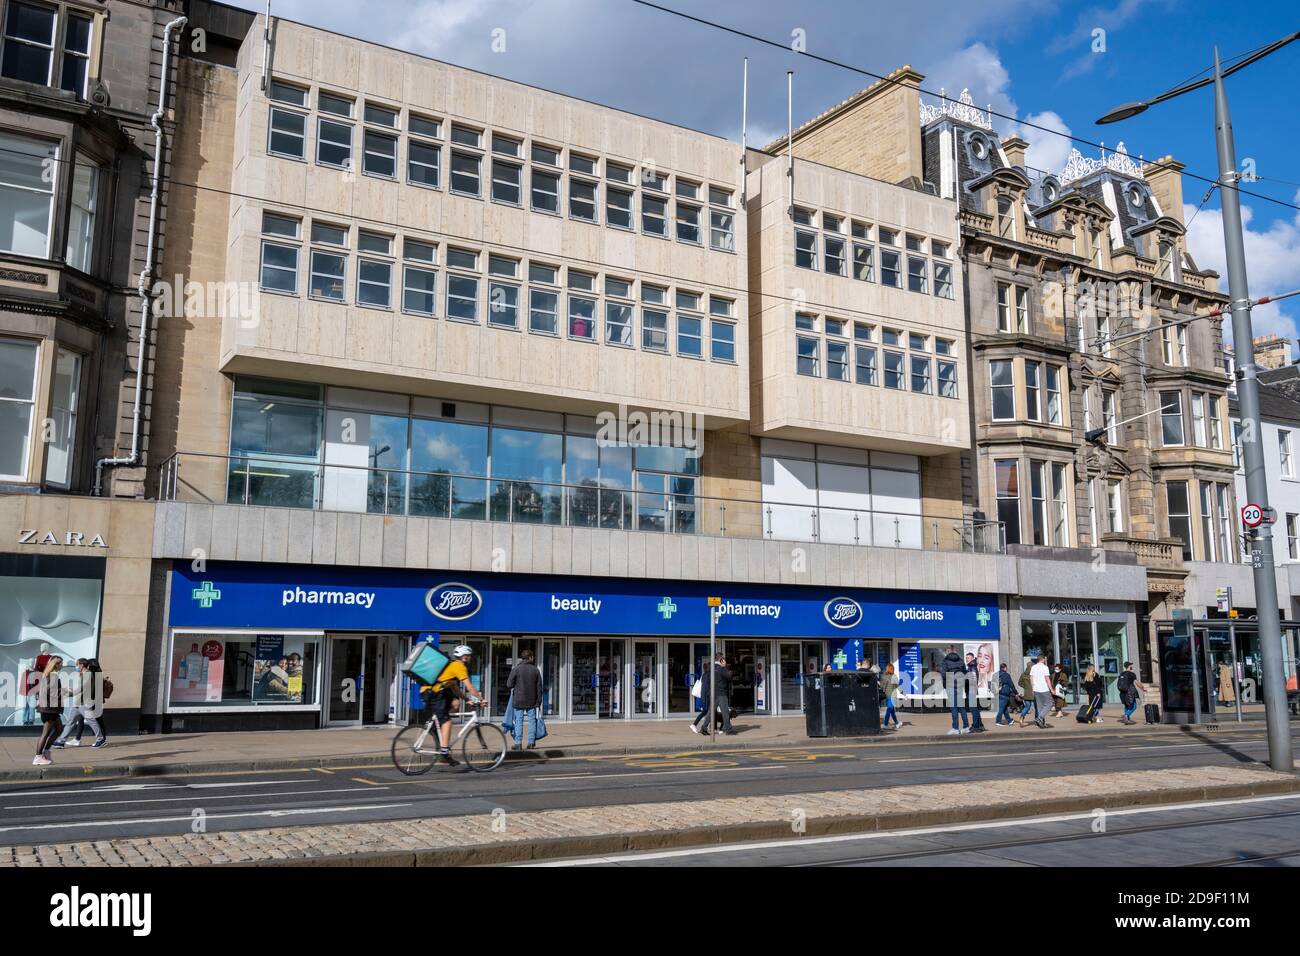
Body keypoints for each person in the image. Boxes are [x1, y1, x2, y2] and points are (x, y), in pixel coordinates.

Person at [419, 644, 485, 765]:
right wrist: (481, 699)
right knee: (447, 722)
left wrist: (466, 700)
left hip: (430, 691)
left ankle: (442, 744)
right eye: (468, 656)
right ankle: (444, 751)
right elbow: (469, 686)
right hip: (434, 693)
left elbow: (454, 688)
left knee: (454, 706)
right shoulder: (459, 666)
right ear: (464, 657)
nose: (470, 659)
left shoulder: (452, 665)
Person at [50, 659, 107, 750]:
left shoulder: (88, 674)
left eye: (77, 665)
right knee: (70, 722)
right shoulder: (83, 674)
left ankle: (100, 739)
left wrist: (70, 694)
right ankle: (61, 741)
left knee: (91, 721)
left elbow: (82, 688)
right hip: (78, 703)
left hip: (84, 703)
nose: (76, 667)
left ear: (81, 665)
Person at [32, 656, 66, 766]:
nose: (62, 665)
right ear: (56, 664)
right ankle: (37, 757)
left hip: (52, 709)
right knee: (45, 733)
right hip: (49, 710)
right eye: (61, 663)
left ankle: (46, 752)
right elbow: (50, 692)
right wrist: (64, 692)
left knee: (59, 730)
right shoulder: (52, 676)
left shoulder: (49, 675)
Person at [505, 649, 543, 751]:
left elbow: (509, 684)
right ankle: (531, 743)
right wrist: (539, 701)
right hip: (532, 700)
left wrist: (516, 685)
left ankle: (518, 743)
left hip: (519, 699)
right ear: (530, 657)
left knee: (519, 721)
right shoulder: (535, 670)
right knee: (532, 721)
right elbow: (539, 688)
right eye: (532, 656)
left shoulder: (516, 669)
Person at [691, 653, 735, 736]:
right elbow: (729, 677)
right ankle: (729, 729)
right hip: (721, 693)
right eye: (723, 659)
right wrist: (725, 666)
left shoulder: (711, 668)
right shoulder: (721, 669)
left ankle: (704, 728)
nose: (725, 660)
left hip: (713, 693)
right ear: (721, 659)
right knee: (725, 711)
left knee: (711, 712)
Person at [941, 645, 969, 736]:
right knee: (961, 706)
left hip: (951, 686)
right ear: (955, 651)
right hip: (960, 686)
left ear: (948, 651)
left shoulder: (945, 661)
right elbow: (965, 673)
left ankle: (955, 728)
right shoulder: (961, 661)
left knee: (954, 707)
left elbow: (944, 674)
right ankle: (966, 727)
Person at [1029, 654, 1054, 729]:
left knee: (1040, 706)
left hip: (1036, 689)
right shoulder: (1045, 667)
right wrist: (1051, 689)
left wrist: (1032, 688)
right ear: (1043, 659)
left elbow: (1031, 678)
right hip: (1044, 688)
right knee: (1050, 704)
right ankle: (1040, 717)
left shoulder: (1033, 667)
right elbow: (1047, 679)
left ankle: (1041, 723)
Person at [964, 652, 986, 732]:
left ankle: (976, 726)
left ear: (972, 658)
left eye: (968, 658)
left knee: (973, 709)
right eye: (966, 658)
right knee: (975, 708)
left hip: (971, 690)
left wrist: (963, 680)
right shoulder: (971, 666)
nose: (967, 659)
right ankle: (980, 725)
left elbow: (972, 680)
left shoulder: (972, 667)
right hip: (971, 690)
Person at [881, 664, 900, 729]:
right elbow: (897, 686)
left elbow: (881, 686)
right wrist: (903, 693)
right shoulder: (894, 676)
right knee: (889, 709)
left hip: (887, 695)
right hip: (892, 695)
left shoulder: (884, 676)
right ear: (892, 669)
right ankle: (885, 724)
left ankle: (897, 723)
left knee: (892, 710)